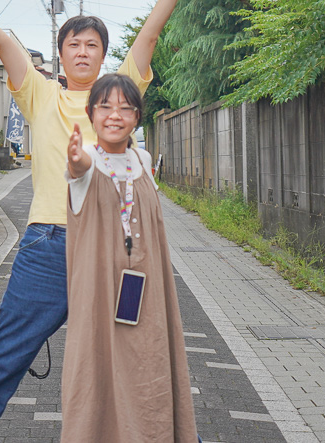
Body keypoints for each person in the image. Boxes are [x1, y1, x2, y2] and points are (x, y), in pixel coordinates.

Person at [0, 0, 214, 443]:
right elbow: (0, 38)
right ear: (59, 53)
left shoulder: (118, 94)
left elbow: (149, 34)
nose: (82, 51)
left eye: (91, 45)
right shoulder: (39, 93)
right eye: (73, 44)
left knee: (143, 353)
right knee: (4, 356)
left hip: (117, 256)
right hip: (49, 245)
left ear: (103, 56)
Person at [64, 74, 198, 442]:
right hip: (98, 296)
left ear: (137, 117)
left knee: (149, 367)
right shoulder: (88, 160)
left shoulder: (142, 159)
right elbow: (79, 169)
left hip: (147, 293)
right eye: (105, 106)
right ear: (91, 114)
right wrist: (76, 159)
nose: (114, 115)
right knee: (97, 373)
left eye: (125, 107)